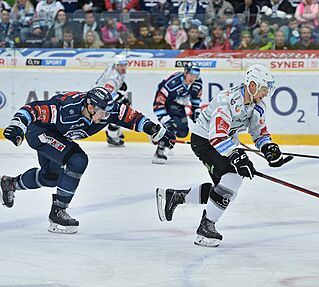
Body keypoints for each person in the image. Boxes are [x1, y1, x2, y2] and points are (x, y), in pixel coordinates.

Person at [1, 87, 175, 234]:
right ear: (90, 106)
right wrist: (18, 125)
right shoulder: (65, 108)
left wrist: (155, 130)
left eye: (107, 112)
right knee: (77, 160)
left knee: (51, 177)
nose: (105, 117)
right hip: (40, 132)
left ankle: (11, 184)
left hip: (57, 136)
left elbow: (132, 117)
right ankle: (58, 211)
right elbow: (33, 109)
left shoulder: (107, 110)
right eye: (102, 113)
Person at [155, 64, 286, 247]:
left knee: (226, 192)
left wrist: (269, 149)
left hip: (223, 142)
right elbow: (216, 136)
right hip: (204, 141)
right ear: (253, 85)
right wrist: (237, 156)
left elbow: (260, 133)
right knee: (232, 180)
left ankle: (176, 196)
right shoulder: (226, 101)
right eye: (264, 89)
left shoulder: (258, 106)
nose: (266, 94)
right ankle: (206, 228)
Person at [152, 62, 202, 164]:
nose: (193, 78)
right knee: (172, 125)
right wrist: (164, 119)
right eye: (191, 75)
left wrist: (196, 111)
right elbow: (158, 103)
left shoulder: (198, 83)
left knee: (183, 132)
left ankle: (156, 132)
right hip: (167, 104)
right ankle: (159, 151)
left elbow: (196, 98)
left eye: (196, 76)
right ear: (185, 72)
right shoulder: (171, 84)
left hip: (179, 105)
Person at [95, 54, 130, 147]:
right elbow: (107, 93)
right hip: (100, 98)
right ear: (116, 65)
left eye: (125, 64)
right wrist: (120, 97)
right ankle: (112, 136)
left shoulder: (117, 71)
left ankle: (114, 132)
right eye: (121, 65)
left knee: (121, 110)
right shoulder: (113, 77)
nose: (123, 67)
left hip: (100, 95)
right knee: (118, 113)